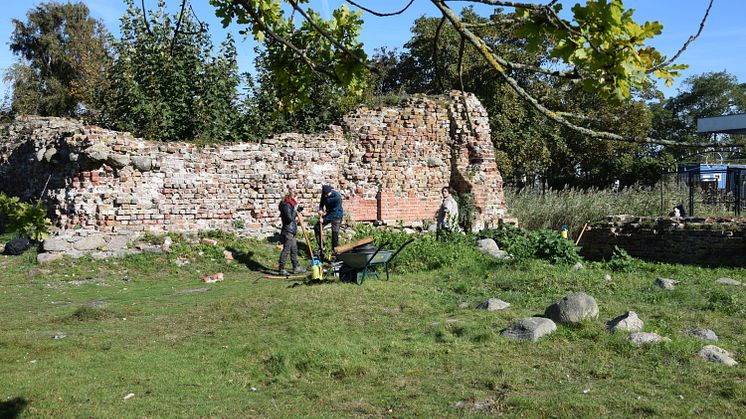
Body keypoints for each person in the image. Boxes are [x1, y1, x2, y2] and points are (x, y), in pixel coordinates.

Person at [278, 191, 306, 276]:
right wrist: (295, 209)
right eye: (297, 198)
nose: (298, 200)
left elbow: (293, 215)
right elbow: (289, 218)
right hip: (288, 231)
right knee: (286, 249)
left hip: (291, 230)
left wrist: (298, 209)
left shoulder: (290, 205)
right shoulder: (286, 205)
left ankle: (296, 267)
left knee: (294, 249)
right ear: (292, 197)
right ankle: (281, 269)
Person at [315, 184, 343, 256]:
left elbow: (334, 213)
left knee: (335, 233)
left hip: (337, 215)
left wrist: (324, 220)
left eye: (327, 194)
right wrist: (320, 209)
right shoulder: (324, 194)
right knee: (317, 227)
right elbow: (322, 203)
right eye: (325, 194)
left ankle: (335, 253)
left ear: (330, 191)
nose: (326, 196)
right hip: (329, 213)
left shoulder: (337, 197)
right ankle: (322, 246)